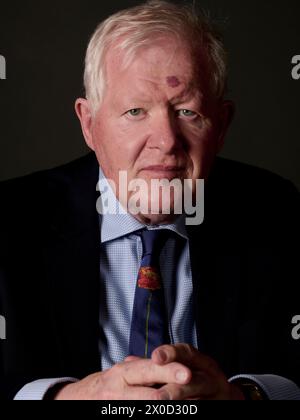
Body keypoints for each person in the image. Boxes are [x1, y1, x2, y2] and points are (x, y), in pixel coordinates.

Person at [0, 0, 299, 400]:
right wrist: (69, 397)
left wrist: (244, 397)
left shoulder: (280, 213)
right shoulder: (8, 221)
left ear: (222, 125)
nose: (166, 141)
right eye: (136, 111)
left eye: (188, 112)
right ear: (89, 124)